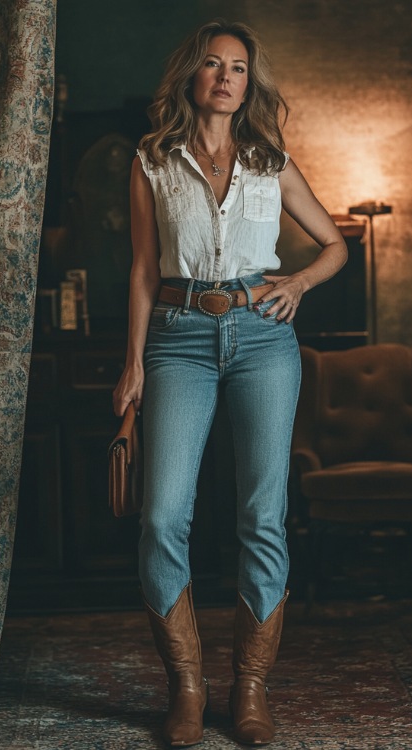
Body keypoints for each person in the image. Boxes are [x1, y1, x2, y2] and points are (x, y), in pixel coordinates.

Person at [113, 19, 347, 747]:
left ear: (250, 83)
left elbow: (336, 244)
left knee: (263, 515)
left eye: (238, 68)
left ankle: (250, 689)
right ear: (192, 75)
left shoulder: (270, 160)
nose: (224, 77)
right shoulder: (152, 160)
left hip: (263, 340)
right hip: (178, 341)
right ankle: (187, 686)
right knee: (160, 516)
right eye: (212, 64)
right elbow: (146, 270)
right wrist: (131, 364)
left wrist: (300, 283)